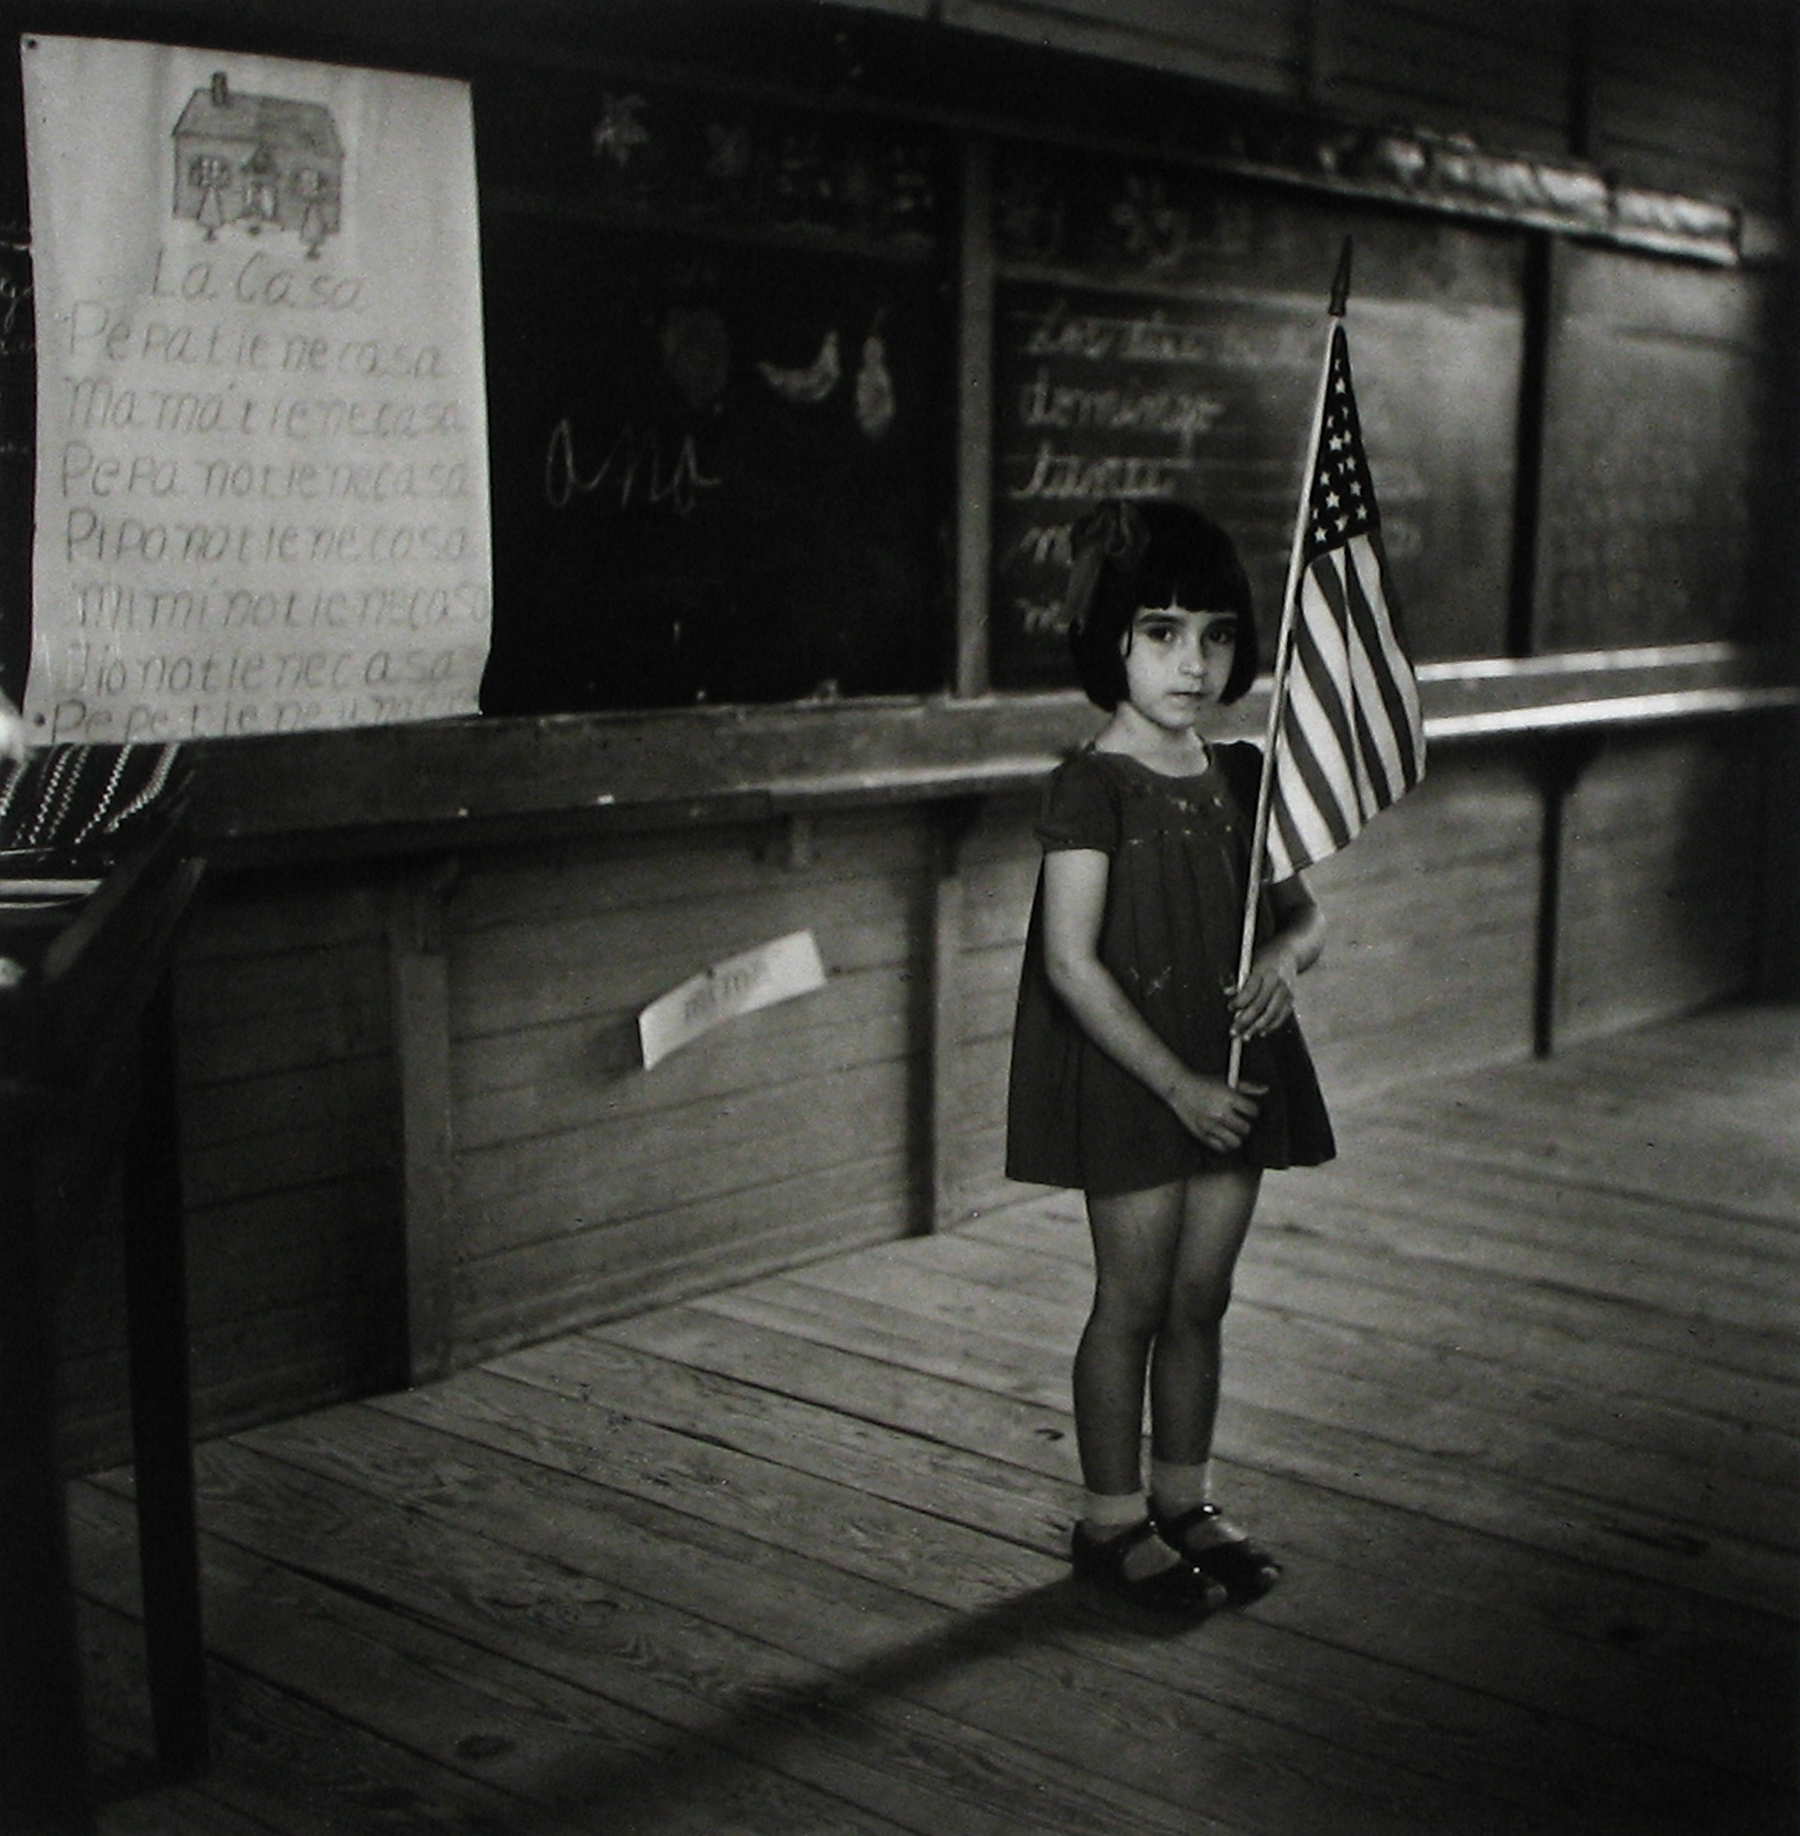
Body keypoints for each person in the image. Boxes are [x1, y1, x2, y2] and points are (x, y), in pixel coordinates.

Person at [1006, 496, 1335, 1617]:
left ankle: (1185, 1498)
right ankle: (1109, 1521)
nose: (1191, 664)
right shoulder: (1090, 786)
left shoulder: (1242, 775)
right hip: (1144, 1080)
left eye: (1215, 635)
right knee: (1134, 1300)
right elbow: (1070, 965)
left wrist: (1288, 961)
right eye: (1159, 633)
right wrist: (1178, 1087)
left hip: (1232, 1083)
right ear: (1110, 640)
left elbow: (1304, 917)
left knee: (1204, 1299)